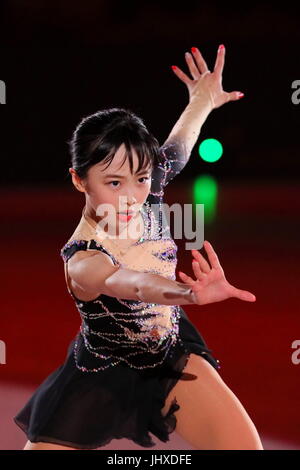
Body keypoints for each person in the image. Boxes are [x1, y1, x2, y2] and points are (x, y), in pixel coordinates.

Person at [14, 45, 263, 450]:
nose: (133, 196)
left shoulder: (149, 190)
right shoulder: (82, 259)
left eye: (142, 178)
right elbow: (134, 283)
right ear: (79, 180)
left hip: (169, 354)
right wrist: (187, 293)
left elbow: (178, 147)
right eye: (114, 183)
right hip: (99, 374)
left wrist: (202, 100)